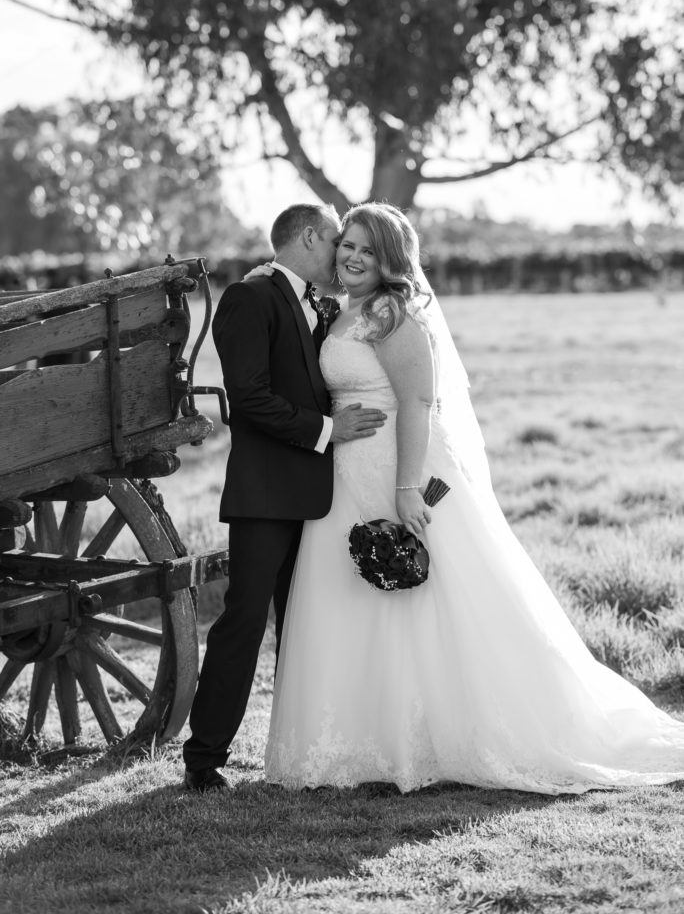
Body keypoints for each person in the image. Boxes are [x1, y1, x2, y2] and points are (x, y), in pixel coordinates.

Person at [265, 202, 684, 795]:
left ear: (390, 260)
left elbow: (416, 403)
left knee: (431, 596)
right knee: (355, 594)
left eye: (367, 249)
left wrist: (407, 488)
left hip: (399, 470)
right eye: (348, 245)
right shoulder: (339, 308)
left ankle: (449, 737)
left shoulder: (391, 314)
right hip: (347, 476)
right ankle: (374, 742)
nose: (353, 257)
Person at [183, 203, 386, 792]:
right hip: (267, 492)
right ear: (307, 237)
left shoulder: (323, 304)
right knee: (245, 619)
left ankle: (314, 749)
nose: (343, 256)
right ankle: (205, 757)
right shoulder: (252, 297)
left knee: (308, 624)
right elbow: (248, 399)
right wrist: (328, 431)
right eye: (336, 243)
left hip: (323, 498)